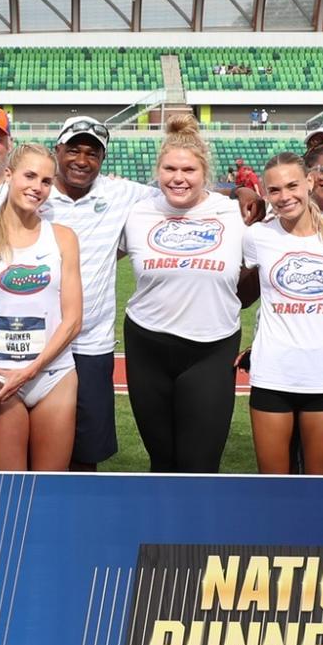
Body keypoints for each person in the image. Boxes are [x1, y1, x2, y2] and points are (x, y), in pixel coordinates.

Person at [121, 114, 245, 473]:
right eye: (170, 169)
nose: (179, 178)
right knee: (161, 461)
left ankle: (198, 530)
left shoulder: (234, 212)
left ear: (204, 172)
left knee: (200, 464)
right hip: (148, 344)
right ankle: (159, 529)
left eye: (189, 170)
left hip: (212, 346)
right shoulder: (138, 213)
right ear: (157, 171)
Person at [44, 117, 153, 471]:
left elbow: (179, 188)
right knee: (36, 441)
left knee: (85, 452)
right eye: (73, 149)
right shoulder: (35, 190)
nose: (81, 160)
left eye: (92, 153)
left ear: (103, 160)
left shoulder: (120, 192)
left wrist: (240, 192)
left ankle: (79, 522)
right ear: (56, 151)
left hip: (90, 344)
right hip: (34, 341)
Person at [0, 143, 82, 470]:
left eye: (46, 181)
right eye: (29, 176)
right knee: (11, 490)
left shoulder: (62, 238)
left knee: (49, 487)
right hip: (1, 377)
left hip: (54, 375)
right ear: (8, 175)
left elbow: (73, 320)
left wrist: (30, 370)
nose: (37, 187)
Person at [242, 153, 323, 475]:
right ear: (265, 193)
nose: (285, 197)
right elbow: (241, 296)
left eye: (292, 186)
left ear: (310, 182)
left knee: (321, 488)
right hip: (273, 372)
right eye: (274, 190)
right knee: (275, 489)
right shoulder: (257, 236)